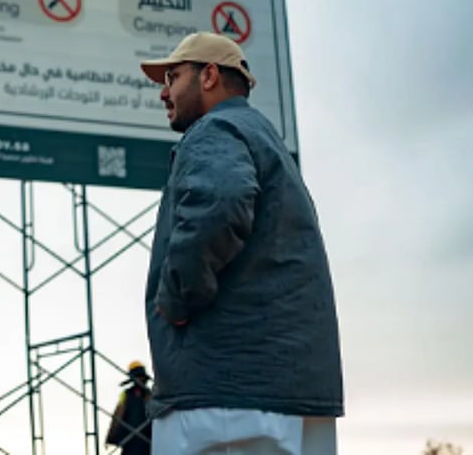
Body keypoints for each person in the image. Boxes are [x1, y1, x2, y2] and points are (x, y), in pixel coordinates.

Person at [138, 33, 343, 454]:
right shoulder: (265, 139)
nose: (163, 92)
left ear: (209, 76)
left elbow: (222, 200)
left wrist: (175, 300)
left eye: (173, 77)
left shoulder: (216, 129)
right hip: (288, 393)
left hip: (225, 396)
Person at [105, 361, 153, 455]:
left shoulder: (150, 395)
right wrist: (111, 435)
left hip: (146, 440)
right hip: (130, 440)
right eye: (138, 377)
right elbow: (118, 415)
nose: (141, 380)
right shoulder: (126, 394)